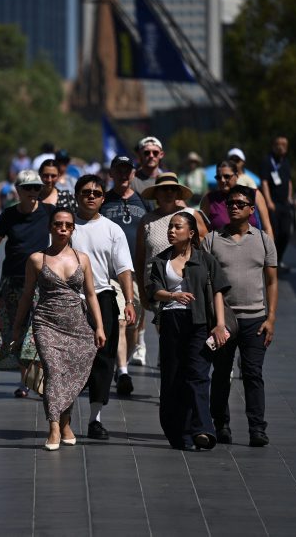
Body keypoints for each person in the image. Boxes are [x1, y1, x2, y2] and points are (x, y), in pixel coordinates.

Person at [11, 208, 106, 450]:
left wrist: (99, 327)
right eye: (58, 224)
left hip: (77, 324)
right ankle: (54, 426)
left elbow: (91, 295)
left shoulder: (82, 259)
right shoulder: (37, 259)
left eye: (68, 225)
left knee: (70, 374)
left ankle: (65, 423)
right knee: (54, 372)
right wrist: (17, 327)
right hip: (46, 322)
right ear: (50, 227)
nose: (63, 228)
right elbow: (26, 295)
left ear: (73, 229)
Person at [146, 211, 230, 451]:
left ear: (191, 233)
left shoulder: (205, 260)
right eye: (170, 227)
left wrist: (220, 324)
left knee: (198, 374)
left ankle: (203, 429)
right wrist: (173, 295)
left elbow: (218, 291)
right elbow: (154, 291)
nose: (171, 231)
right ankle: (177, 432)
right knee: (173, 377)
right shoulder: (161, 260)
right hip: (171, 321)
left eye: (178, 227)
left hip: (199, 322)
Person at [203, 185, 278, 448]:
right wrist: (214, 320)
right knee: (221, 373)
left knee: (253, 374)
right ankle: (220, 424)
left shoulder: (263, 240)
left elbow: (272, 281)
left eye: (240, 203)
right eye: (230, 203)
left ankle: (257, 428)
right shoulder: (212, 239)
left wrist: (271, 319)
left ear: (251, 209)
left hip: (255, 320)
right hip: (223, 320)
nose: (234, 207)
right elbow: (205, 281)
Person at [0, 170, 55, 396]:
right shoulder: (9, 215)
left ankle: (39, 379)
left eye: (37, 187)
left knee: (38, 331)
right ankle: (25, 380)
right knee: (15, 330)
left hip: (41, 282)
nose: (33, 192)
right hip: (13, 281)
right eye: (28, 188)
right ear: (18, 190)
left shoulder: (49, 212)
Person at [70, 175, 136, 438]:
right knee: (70, 358)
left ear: (102, 198)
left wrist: (129, 301)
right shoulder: (66, 226)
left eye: (96, 193)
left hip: (103, 297)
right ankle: (62, 419)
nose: (91, 196)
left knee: (104, 357)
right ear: (76, 195)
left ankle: (95, 419)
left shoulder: (112, 229)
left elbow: (123, 268)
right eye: (86, 192)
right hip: (70, 299)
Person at [133, 173, 206, 367]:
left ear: (178, 192)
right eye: (164, 189)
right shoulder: (147, 220)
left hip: (186, 282)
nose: (168, 192)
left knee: (186, 329)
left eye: (173, 189)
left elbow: (204, 246)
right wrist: (142, 290)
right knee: (164, 327)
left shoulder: (191, 215)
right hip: (157, 284)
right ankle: (171, 360)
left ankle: (178, 361)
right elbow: (140, 258)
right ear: (156, 193)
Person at [100, 155, 149, 395]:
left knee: (132, 326)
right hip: (112, 272)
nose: (123, 174)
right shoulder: (103, 201)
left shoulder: (143, 201)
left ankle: (123, 365)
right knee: (120, 320)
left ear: (133, 173)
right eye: (118, 170)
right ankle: (122, 372)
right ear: (111, 173)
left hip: (138, 271)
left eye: (127, 170)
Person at [200, 161, 273, 237]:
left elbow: (267, 227)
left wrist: (270, 244)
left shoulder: (254, 194)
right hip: (221, 243)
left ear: (236, 176)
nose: (222, 180)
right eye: (218, 177)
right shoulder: (209, 199)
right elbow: (201, 230)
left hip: (253, 243)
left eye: (226, 176)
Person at [259, 136, 294, 266]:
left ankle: (279, 257)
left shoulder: (286, 162)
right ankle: (272, 259)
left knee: (286, 233)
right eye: (279, 144)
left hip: (285, 203)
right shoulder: (267, 161)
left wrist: (289, 197)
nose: (281, 147)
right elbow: (264, 182)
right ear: (274, 146)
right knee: (275, 232)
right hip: (273, 203)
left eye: (284, 145)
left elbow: (289, 181)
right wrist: (268, 201)